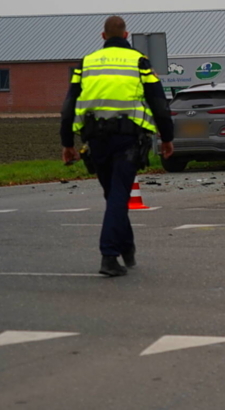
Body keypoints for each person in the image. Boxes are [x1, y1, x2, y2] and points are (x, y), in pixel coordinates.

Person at [60, 15, 175, 277]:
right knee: (119, 195)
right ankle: (109, 256)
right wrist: (167, 138)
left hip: (95, 140)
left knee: (114, 195)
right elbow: (159, 103)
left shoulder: (87, 62)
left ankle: (127, 248)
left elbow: (68, 107)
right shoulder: (138, 61)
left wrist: (67, 143)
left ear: (103, 37)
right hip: (128, 140)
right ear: (126, 36)